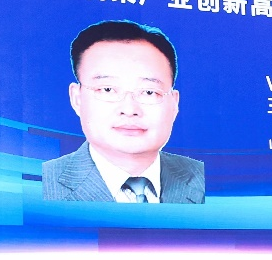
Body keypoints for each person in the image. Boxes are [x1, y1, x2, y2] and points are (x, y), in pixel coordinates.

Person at [42, 20, 205, 203]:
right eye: (107, 89)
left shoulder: (203, 179)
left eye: (149, 92)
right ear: (77, 98)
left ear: (174, 103)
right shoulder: (41, 183)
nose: (129, 110)